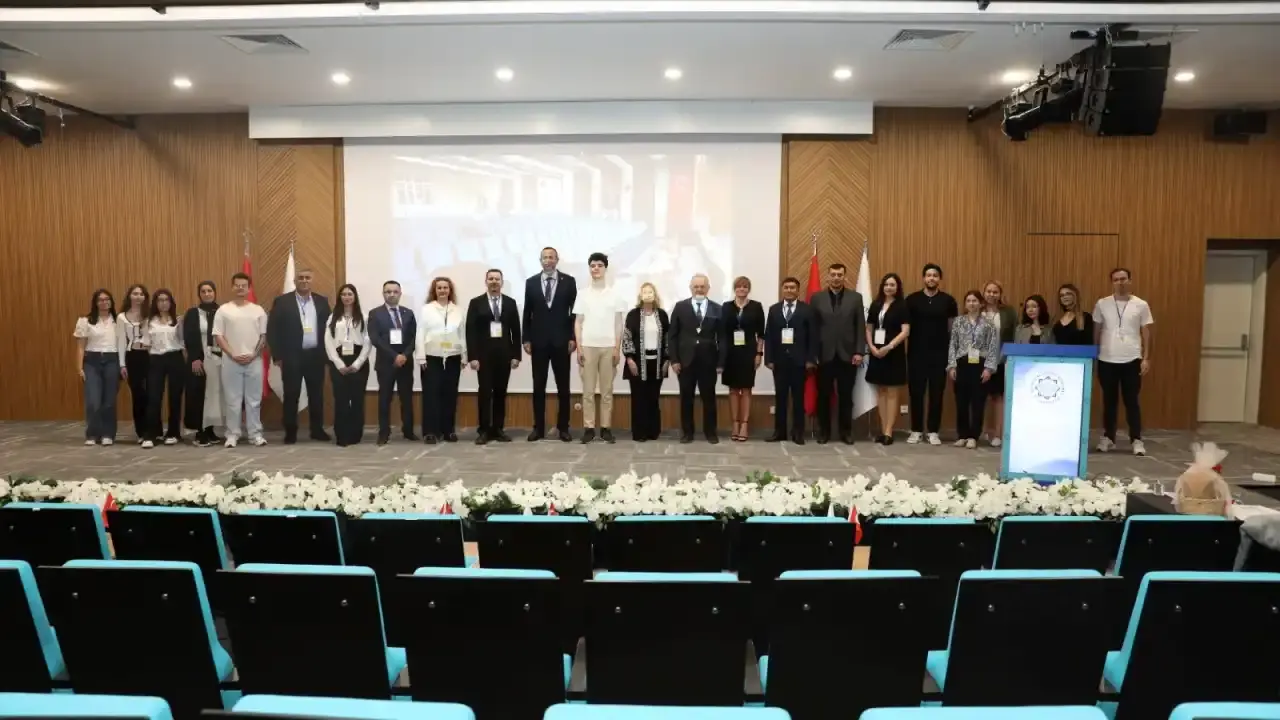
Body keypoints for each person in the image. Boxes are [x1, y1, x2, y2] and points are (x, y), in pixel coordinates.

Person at [1092, 267, 1153, 456]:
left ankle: (1136, 439)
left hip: (1132, 359)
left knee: (1131, 401)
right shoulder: (1102, 304)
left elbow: (1146, 332)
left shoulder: (1141, 304)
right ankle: (1108, 437)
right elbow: (1096, 330)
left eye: (1123, 278)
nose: (1120, 282)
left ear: (1130, 280)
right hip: (1106, 359)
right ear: (1112, 282)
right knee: (1109, 401)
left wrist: (1146, 358)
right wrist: (1094, 354)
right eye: (1116, 279)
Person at [267, 266, 331, 444]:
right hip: (291, 356)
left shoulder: (321, 301)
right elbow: (273, 329)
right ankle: (290, 432)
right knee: (291, 395)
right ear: (294, 281)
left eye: (307, 278)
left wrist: (327, 355)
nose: (304, 281)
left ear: (312, 280)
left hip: (315, 356)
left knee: (316, 395)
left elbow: (329, 328)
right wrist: (277, 355)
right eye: (300, 278)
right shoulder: (282, 301)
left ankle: (317, 430)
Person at [523, 246, 577, 443]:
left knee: (563, 387)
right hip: (538, 342)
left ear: (557, 260)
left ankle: (564, 428)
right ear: (540, 260)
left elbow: (574, 313)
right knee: (538, 386)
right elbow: (527, 313)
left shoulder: (569, 281)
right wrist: (526, 339)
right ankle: (538, 428)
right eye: (545, 257)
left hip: (562, 342)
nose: (548, 260)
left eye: (551, 257)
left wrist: (573, 337)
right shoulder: (531, 282)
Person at [808, 263, 866, 444]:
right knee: (823, 396)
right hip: (824, 355)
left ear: (844, 277)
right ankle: (824, 432)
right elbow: (812, 328)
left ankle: (845, 432)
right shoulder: (816, 298)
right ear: (828, 276)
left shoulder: (855, 298)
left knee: (846, 396)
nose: (836, 278)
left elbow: (860, 326)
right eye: (833, 274)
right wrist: (812, 353)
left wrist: (859, 351)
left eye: (839, 275)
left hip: (848, 355)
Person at [667, 273, 727, 444]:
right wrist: (674, 360)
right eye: (696, 286)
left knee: (709, 398)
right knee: (686, 398)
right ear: (690, 288)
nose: (699, 289)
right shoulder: (680, 307)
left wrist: (721, 362)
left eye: (702, 286)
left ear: (708, 288)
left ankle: (711, 432)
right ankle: (687, 433)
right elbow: (672, 336)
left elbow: (722, 338)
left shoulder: (717, 308)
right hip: (685, 362)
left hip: (709, 362)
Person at [465, 269, 521, 444]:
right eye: (491, 279)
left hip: (504, 355)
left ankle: (498, 428)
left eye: (497, 279)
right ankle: (484, 430)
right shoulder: (476, 303)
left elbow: (516, 331)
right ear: (486, 282)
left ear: (502, 282)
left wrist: (516, 355)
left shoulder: (510, 303)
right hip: (483, 356)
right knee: (484, 392)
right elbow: (470, 331)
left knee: (500, 392)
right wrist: (473, 357)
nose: (494, 281)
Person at [213, 272, 268, 448]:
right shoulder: (223, 310)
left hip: (254, 361)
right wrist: (232, 354)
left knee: (254, 400)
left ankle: (255, 434)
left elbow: (263, 337)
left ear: (249, 288)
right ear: (232, 287)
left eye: (243, 286)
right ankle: (232, 434)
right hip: (231, 361)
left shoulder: (258, 310)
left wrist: (253, 354)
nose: (240, 288)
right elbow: (218, 336)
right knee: (232, 400)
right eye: (237, 285)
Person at [574, 252, 625, 444]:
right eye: (592, 265)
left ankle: (605, 428)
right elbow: (578, 322)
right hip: (588, 346)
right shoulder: (582, 294)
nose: (596, 268)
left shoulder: (615, 294)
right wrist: (579, 348)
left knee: (607, 390)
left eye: (599, 265)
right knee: (588, 391)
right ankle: (589, 428)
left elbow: (618, 324)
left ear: (605, 268)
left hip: (608, 346)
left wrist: (617, 348)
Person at [905, 263, 957, 446]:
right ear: (923, 278)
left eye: (935, 275)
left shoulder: (948, 301)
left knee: (936, 394)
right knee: (916, 393)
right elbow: (905, 328)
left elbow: (952, 330)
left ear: (939, 279)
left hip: (939, 355)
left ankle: (933, 431)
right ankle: (916, 430)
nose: (931, 278)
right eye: (928, 275)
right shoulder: (912, 300)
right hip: (916, 354)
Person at [764, 276, 818, 444]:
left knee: (798, 399)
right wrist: (769, 359)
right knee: (780, 398)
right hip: (779, 361)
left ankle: (798, 433)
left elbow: (813, 337)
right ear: (782, 289)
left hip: (800, 362)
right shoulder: (774, 310)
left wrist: (810, 359)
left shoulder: (807, 310)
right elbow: (769, 335)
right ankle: (779, 432)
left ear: (798, 290)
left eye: (792, 287)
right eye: (786, 287)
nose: (789, 290)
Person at [947, 290, 1000, 449]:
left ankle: (973, 436)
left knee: (978, 401)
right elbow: (953, 344)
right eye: (968, 301)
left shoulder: (988, 323)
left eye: (975, 300)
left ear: (981, 303)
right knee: (961, 401)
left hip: (980, 364)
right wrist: (952, 365)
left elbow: (992, 347)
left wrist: (989, 368)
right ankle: (962, 435)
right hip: (962, 363)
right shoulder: (958, 322)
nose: (971, 303)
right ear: (965, 304)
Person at [417, 276, 465, 444]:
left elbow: (462, 334)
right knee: (431, 395)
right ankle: (430, 432)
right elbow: (420, 333)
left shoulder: (457, 310)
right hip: (432, 357)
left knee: (450, 394)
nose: (442, 290)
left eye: (445, 288)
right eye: (439, 288)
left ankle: (448, 430)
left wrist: (464, 355)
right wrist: (421, 356)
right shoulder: (426, 309)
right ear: (434, 291)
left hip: (453, 356)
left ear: (450, 290)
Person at [368, 280, 417, 445]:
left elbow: (414, 337)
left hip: (405, 363)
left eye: (395, 292)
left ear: (400, 294)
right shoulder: (375, 313)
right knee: (384, 399)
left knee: (406, 398)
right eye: (388, 292)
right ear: (383, 294)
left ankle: (408, 431)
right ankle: (384, 432)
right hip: (385, 363)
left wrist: (405, 355)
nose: (391, 295)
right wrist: (394, 356)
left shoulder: (408, 313)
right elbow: (375, 339)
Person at [865, 272, 911, 445]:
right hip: (876, 352)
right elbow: (869, 328)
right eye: (886, 284)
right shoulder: (876, 304)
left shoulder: (902, 306)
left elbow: (905, 331)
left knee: (892, 391)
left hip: (893, 353)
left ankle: (889, 431)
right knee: (881, 391)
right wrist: (872, 347)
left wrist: (889, 347)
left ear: (897, 287)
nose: (889, 287)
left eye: (892, 285)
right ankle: (883, 429)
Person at [622, 282, 670, 442]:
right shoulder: (633, 315)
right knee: (638, 399)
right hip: (637, 363)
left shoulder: (662, 315)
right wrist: (629, 359)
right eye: (645, 292)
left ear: (655, 295)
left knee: (653, 398)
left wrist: (667, 360)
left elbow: (668, 339)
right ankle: (639, 433)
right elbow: (627, 337)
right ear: (640, 295)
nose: (648, 294)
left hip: (657, 363)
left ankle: (652, 431)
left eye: (650, 292)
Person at [326, 283, 371, 447]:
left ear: (355, 297)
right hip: (339, 361)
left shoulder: (364, 316)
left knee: (357, 399)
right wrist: (338, 364)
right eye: (344, 294)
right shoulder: (333, 317)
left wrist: (357, 364)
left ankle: (355, 434)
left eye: (350, 294)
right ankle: (342, 435)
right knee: (341, 399)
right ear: (340, 297)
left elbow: (368, 341)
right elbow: (328, 341)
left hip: (358, 360)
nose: (346, 297)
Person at [721, 276, 765, 442]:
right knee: (733, 389)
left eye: (745, 286)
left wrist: (759, 354)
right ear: (734, 289)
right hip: (730, 353)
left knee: (746, 389)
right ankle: (735, 423)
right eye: (739, 286)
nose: (742, 289)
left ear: (749, 289)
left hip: (748, 352)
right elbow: (722, 333)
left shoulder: (756, 306)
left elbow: (761, 334)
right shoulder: (726, 307)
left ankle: (744, 425)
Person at [74, 289, 120, 446]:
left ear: (111, 302)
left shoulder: (118, 321)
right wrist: (79, 367)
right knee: (93, 400)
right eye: (100, 300)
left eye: (107, 299)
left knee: (109, 401)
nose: (104, 302)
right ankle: (92, 434)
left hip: (112, 360)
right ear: (95, 302)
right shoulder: (85, 321)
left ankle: (108, 434)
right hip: (92, 361)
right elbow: (81, 346)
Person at [182, 281, 224, 447]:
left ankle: (210, 429)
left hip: (217, 358)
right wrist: (194, 358)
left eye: (210, 291)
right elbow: (189, 336)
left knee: (213, 395)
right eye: (203, 291)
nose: (207, 294)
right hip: (199, 358)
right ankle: (200, 431)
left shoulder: (221, 311)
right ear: (199, 294)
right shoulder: (193, 313)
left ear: (215, 292)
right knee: (199, 395)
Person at [142, 288, 185, 449]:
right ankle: (151, 434)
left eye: (166, 300)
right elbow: (146, 343)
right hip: (156, 359)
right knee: (153, 397)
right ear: (155, 303)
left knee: (175, 397)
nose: (163, 303)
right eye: (160, 300)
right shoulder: (148, 322)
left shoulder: (177, 320)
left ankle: (173, 433)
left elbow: (183, 341)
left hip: (175, 358)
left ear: (171, 302)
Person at [980, 281, 1017, 447]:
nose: (991, 294)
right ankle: (982, 431)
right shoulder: (977, 310)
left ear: (1000, 294)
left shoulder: (1008, 312)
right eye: (988, 291)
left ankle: (998, 433)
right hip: (979, 361)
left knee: (998, 397)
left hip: (1001, 360)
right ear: (984, 293)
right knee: (981, 397)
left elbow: (1015, 334)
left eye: (995, 292)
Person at [117, 283, 151, 443]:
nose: (138, 297)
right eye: (135, 294)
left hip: (150, 356)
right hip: (132, 357)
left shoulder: (150, 315)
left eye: (141, 294)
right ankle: (141, 432)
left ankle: (153, 430)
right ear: (129, 296)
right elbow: (120, 341)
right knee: (138, 394)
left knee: (151, 394)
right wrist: (122, 364)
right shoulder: (122, 317)